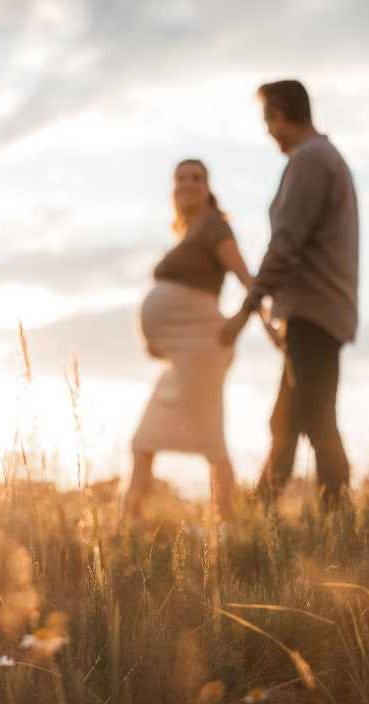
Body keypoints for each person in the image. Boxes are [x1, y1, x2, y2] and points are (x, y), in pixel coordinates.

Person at [220, 79, 359, 507]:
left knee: (315, 420)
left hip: (314, 314)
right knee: (287, 421)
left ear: (281, 114)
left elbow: (286, 243)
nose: (267, 131)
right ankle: (260, 517)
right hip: (315, 312)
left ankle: (336, 524)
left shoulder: (311, 160)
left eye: (268, 120)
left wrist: (247, 307)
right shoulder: (321, 158)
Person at [125, 159, 255, 520]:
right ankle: (128, 531)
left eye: (196, 178)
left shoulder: (214, 227)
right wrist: (158, 337)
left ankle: (225, 526)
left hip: (201, 351)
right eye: (181, 178)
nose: (188, 184)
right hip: (180, 353)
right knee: (144, 441)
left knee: (211, 441)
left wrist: (241, 321)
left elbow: (250, 281)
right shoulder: (190, 232)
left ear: (208, 187)